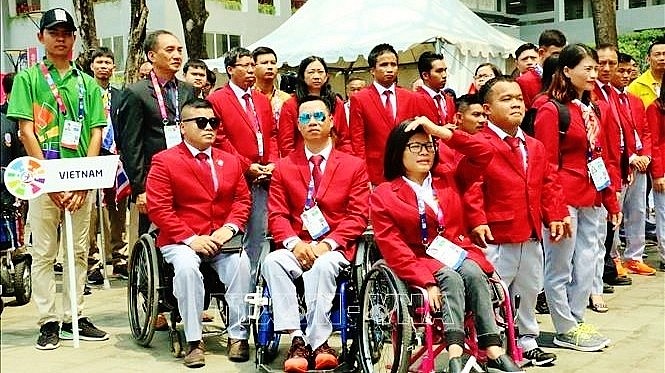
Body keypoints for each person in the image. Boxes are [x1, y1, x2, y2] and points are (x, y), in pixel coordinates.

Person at [371, 118, 523, 373]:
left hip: (455, 251)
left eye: (429, 146)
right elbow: (392, 244)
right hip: (418, 259)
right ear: (399, 151)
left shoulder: (448, 177)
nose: (424, 152)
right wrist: (426, 281)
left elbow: (484, 152)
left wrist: (440, 132)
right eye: (415, 147)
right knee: (450, 277)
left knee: (475, 272)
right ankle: (455, 350)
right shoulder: (385, 194)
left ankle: (493, 347)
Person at [7, 7, 109, 349]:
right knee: (44, 252)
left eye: (67, 32)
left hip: (80, 181)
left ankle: (74, 315)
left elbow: (96, 132)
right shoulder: (28, 78)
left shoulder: (88, 84)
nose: (61, 38)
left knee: (79, 251)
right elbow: (25, 130)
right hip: (42, 180)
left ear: (75, 38)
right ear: (42, 37)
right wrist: (48, 180)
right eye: (54, 32)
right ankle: (48, 320)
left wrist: (84, 179)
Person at [466, 76, 569, 366]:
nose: (515, 104)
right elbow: (473, 186)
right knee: (496, 290)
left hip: (530, 231)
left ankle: (527, 338)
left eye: (519, 99)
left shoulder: (533, 145)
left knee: (529, 286)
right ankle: (494, 341)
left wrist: (556, 214)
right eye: (506, 99)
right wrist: (477, 220)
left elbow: (548, 183)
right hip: (496, 233)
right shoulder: (480, 144)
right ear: (487, 109)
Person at [262, 96, 370, 372]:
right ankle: (297, 339)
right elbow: (277, 215)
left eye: (319, 116)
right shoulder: (285, 167)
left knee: (322, 266)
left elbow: (357, 216)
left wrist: (328, 244)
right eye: (305, 118)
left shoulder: (353, 165)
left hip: (334, 248)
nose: (312, 123)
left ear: (332, 121)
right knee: (272, 262)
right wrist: (295, 244)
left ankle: (320, 342)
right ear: (298, 125)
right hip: (296, 245)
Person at [146, 99, 252, 367]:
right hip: (181, 239)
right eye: (201, 122)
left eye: (213, 122)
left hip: (221, 238)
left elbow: (242, 200)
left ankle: (238, 336)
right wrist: (192, 239)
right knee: (186, 269)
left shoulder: (230, 160)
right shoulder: (164, 161)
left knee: (242, 264)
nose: (209, 127)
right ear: (183, 127)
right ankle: (194, 340)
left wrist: (228, 228)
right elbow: (159, 209)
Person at [533, 43, 621, 352]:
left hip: (592, 196)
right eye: (588, 68)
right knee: (559, 266)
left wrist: (610, 198)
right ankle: (564, 326)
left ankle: (577, 317)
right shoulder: (549, 110)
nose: (594, 74)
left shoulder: (593, 108)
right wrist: (555, 209)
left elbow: (601, 155)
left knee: (588, 262)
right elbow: (546, 165)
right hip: (563, 198)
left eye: (596, 68)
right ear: (567, 71)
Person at [116, 30, 196, 238]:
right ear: (152, 56)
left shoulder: (188, 90)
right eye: (170, 50)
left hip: (187, 175)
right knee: (154, 235)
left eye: (179, 50)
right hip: (154, 178)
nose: (177, 55)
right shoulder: (136, 93)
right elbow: (131, 145)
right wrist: (140, 189)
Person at [207, 47, 278, 279]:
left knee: (259, 233)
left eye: (251, 65)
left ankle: (255, 282)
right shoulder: (217, 100)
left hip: (264, 175)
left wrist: (273, 163)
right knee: (235, 234)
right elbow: (220, 139)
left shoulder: (261, 99)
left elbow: (272, 134)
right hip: (235, 175)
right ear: (230, 70)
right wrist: (246, 165)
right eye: (244, 66)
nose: (250, 70)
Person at [590, 45, 635, 312]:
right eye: (601, 63)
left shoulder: (615, 95)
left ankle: (602, 273)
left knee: (607, 229)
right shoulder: (591, 95)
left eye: (611, 63)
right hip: (596, 172)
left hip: (615, 168)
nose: (606, 69)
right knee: (596, 235)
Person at [610, 52, 655, 276]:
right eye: (622, 70)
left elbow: (645, 131)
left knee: (637, 211)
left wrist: (646, 155)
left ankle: (634, 256)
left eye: (630, 70)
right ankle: (614, 257)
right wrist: (629, 158)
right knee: (616, 213)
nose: (626, 75)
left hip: (640, 163)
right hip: (621, 164)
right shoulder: (606, 99)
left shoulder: (635, 100)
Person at [86, 47, 128, 282]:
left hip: (117, 157)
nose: (103, 66)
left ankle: (119, 258)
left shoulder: (122, 95)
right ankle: (93, 261)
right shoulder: (85, 92)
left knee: (118, 208)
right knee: (92, 211)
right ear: (92, 66)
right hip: (92, 155)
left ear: (113, 68)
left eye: (108, 62)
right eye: (99, 62)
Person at [349, 43, 417, 185]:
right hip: (375, 174)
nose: (390, 69)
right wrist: (362, 176)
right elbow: (358, 142)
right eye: (384, 65)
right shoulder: (360, 99)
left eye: (393, 64)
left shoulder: (409, 97)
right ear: (372, 70)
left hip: (407, 171)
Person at [278, 56, 351, 157]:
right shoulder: (290, 105)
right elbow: (286, 144)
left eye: (320, 72)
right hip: (302, 162)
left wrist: (345, 161)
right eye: (311, 72)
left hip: (335, 161)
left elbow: (344, 138)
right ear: (302, 76)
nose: (316, 76)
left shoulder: (336, 102)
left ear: (326, 76)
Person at [517, 29, 567, 109]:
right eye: (555, 54)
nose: (560, 59)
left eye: (563, 54)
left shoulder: (566, 77)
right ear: (541, 52)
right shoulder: (524, 82)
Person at [647, 75, 665, 271]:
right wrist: (658, 173)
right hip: (663, 169)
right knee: (663, 213)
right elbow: (654, 141)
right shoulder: (656, 107)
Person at [414, 51, 456, 125]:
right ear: (425, 75)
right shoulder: (415, 100)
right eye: (439, 71)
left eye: (445, 70)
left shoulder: (448, 99)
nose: (444, 75)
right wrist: (440, 131)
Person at [251, 46, 291, 124]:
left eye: (273, 63)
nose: (270, 67)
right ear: (253, 67)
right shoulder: (247, 98)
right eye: (264, 63)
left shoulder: (286, 99)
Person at [628, 38, 665, 107]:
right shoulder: (636, 86)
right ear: (648, 59)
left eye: (664, 54)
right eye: (657, 54)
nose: (662, 58)